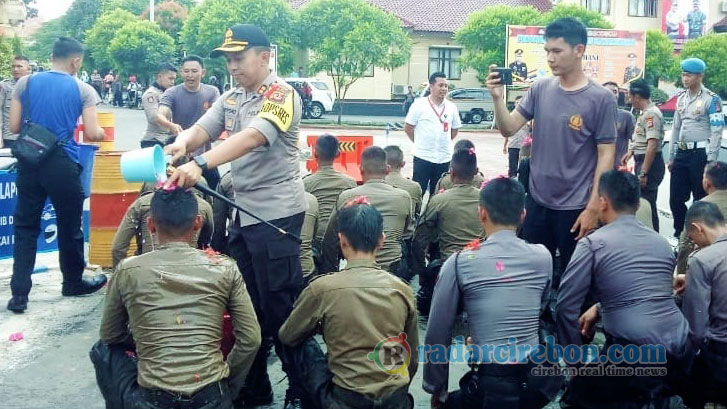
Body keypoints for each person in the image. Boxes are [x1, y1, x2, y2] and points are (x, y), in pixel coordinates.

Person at [164, 24, 306, 409]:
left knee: (281, 310)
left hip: (276, 216)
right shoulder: (232, 96)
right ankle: (254, 386)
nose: (231, 66)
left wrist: (200, 162)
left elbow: (254, 137)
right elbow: (202, 128)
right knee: (246, 310)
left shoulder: (282, 94)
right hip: (244, 217)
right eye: (227, 59)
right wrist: (181, 144)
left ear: (265, 56)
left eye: (238, 58)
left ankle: (300, 389)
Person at [90, 187, 261, 409]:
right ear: (198, 222)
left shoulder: (128, 270)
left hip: (153, 399)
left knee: (102, 349)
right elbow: (251, 339)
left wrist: (148, 342)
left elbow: (110, 335)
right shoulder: (224, 268)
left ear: (151, 225)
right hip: (212, 396)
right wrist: (227, 386)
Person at [486, 17, 617, 286]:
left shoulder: (600, 99)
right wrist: (498, 99)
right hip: (538, 202)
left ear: (579, 50)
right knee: (533, 279)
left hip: (577, 206)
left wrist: (594, 207)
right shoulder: (540, 89)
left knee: (575, 284)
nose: (550, 58)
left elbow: (606, 154)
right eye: (547, 51)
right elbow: (508, 128)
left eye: (557, 51)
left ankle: (573, 328)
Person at [556, 170, 691, 408]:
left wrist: (575, 364)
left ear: (603, 203)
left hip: (634, 356)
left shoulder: (593, 244)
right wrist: (599, 307)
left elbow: (565, 309)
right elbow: (644, 291)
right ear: (638, 203)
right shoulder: (660, 243)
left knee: (577, 395)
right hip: (681, 347)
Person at [425, 177, 560, 409]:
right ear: (523, 215)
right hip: (534, 383)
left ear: (482, 213)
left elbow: (438, 331)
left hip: (487, 385)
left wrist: (436, 387)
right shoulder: (543, 257)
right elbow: (538, 309)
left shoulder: (460, 262)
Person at [280, 200, 419, 409]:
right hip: (395, 399)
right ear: (381, 240)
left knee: (301, 341)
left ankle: (299, 398)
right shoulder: (403, 290)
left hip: (344, 399)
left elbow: (287, 336)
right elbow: (412, 358)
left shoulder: (322, 289)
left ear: (342, 241)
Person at [6, 37, 108, 313]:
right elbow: (90, 131)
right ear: (76, 61)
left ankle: (19, 295)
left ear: (51, 56)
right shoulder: (82, 88)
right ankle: (72, 282)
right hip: (62, 162)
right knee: (69, 223)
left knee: (26, 226)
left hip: (30, 159)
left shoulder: (25, 83)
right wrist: (101, 133)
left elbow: (14, 126)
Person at [413, 148, 485, 315]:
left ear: (451, 173)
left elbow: (419, 239)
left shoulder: (440, 200)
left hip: (448, 268)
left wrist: (422, 273)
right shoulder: (487, 199)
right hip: (480, 267)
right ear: (475, 173)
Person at [321, 146, 412, 276]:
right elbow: (406, 233)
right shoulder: (404, 197)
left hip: (356, 269)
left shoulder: (348, 197)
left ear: (361, 169)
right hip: (393, 269)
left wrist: (331, 274)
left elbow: (329, 241)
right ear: (387, 169)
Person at [667, 57, 724, 238]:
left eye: (689, 75)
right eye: (683, 75)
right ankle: (680, 232)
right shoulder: (681, 99)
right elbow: (675, 127)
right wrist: (672, 156)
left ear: (700, 76)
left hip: (700, 154)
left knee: (699, 198)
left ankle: (697, 235)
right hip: (682, 153)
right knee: (675, 198)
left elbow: (716, 131)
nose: (685, 79)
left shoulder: (712, 100)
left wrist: (711, 161)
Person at [678, 201, 727, 408]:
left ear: (697, 228)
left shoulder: (703, 259)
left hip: (719, 356)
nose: (695, 244)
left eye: (692, 239)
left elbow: (696, 331)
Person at [110, 181, 214, 268]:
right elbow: (207, 241)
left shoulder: (141, 202)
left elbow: (118, 247)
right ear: (198, 222)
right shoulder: (203, 198)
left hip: (147, 271)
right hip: (191, 270)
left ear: (151, 224)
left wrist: (121, 274)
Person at [158, 54, 221, 188]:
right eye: (186, 71)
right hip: (180, 153)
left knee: (215, 187)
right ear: (182, 72)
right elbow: (160, 115)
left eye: (194, 71)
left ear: (203, 73)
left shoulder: (212, 92)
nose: (190, 75)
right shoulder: (172, 92)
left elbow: (217, 116)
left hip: (205, 153)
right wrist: (170, 124)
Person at [405, 71, 461, 196]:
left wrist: (444, 141)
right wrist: (419, 141)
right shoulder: (419, 105)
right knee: (418, 192)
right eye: (440, 85)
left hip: (443, 157)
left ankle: (434, 215)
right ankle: (417, 215)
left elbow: (455, 129)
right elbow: (408, 128)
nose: (444, 89)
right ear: (431, 87)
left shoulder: (452, 107)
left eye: (446, 86)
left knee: (438, 193)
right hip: (423, 156)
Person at [619, 79, 665, 231]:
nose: (629, 100)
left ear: (637, 97)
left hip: (649, 163)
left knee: (647, 205)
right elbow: (642, 139)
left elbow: (652, 145)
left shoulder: (652, 115)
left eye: (630, 96)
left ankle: (653, 238)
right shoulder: (645, 113)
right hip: (642, 160)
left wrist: (644, 172)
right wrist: (631, 151)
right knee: (642, 203)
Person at [303, 133, 357, 258]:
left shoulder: (306, 183)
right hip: (340, 240)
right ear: (338, 154)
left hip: (315, 239)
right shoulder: (350, 182)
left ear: (315, 154)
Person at [675, 161, 727, 275]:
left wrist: (682, 275)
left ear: (707, 183)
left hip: (711, 271)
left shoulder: (701, 208)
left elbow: (685, 245)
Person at [384, 144, 422, 281]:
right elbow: (416, 215)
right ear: (403, 163)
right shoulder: (414, 187)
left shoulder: (375, 184)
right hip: (403, 244)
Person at [140, 62, 178, 148]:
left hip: (169, 140)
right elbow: (153, 117)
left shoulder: (168, 94)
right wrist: (171, 126)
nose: (172, 82)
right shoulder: (151, 94)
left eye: (174, 79)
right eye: (170, 78)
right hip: (153, 141)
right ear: (160, 76)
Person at [0, 55, 31, 148]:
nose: (15, 69)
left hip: (31, 138)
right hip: (10, 137)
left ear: (28, 68)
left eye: (19, 66)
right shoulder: (4, 86)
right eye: (13, 66)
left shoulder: (36, 84)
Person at [603, 81, 635, 170]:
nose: (613, 94)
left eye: (615, 91)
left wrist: (630, 153)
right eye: (609, 91)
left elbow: (636, 140)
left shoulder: (627, 116)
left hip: (618, 167)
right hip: (596, 167)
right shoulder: (594, 116)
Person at [503, 96, 530, 178]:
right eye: (517, 102)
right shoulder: (510, 117)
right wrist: (504, 146)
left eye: (520, 102)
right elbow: (507, 133)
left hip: (524, 146)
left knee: (524, 167)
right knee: (512, 168)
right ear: (514, 104)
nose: (518, 104)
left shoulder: (528, 117)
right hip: (513, 145)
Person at [211, 170, 235, 254]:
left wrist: (216, 251)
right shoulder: (270, 174)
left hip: (239, 239)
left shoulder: (226, 180)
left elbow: (218, 222)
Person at [300, 192, 319, 283]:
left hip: (275, 272)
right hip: (306, 269)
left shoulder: (265, 200)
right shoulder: (311, 199)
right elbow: (314, 235)